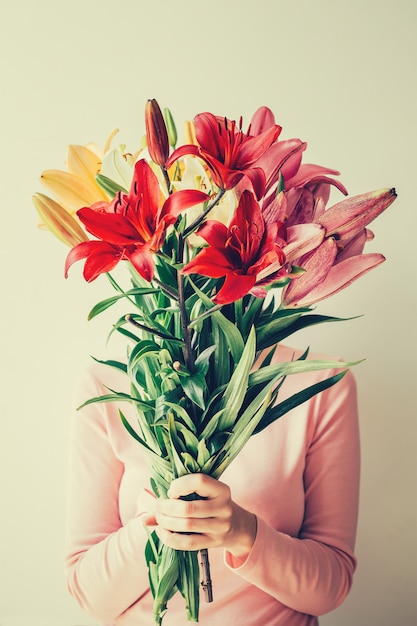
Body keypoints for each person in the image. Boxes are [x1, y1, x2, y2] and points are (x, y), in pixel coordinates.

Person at [64, 342, 360, 626]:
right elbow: (90, 597)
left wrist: (245, 534)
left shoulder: (321, 379)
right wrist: (163, 521)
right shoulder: (107, 384)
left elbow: (330, 590)